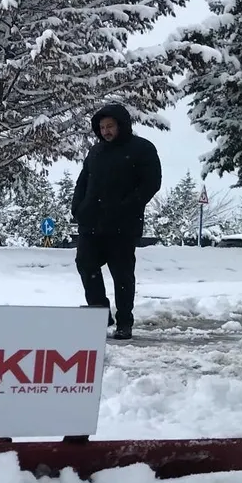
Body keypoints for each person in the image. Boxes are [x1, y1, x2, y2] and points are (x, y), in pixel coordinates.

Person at [71, 103, 162, 340]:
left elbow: (151, 183)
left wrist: (127, 207)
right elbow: (83, 181)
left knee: (122, 274)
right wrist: (78, 208)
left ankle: (124, 322)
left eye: (110, 126)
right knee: (85, 264)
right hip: (91, 222)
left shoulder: (142, 148)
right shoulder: (95, 152)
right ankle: (99, 314)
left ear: (122, 125)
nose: (106, 131)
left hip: (123, 225)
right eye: (102, 127)